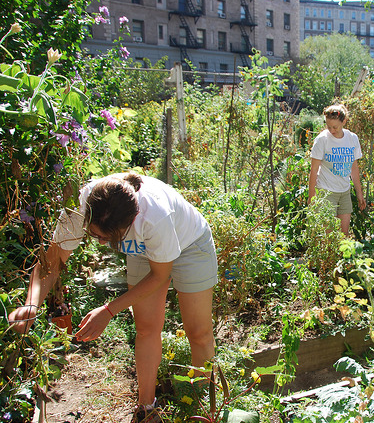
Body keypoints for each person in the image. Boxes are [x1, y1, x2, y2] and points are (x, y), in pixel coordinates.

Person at [9, 173, 218, 423]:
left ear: (130, 223)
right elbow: (50, 262)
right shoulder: (82, 208)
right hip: (144, 250)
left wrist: (108, 310)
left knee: (198, 332)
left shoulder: (155, 217)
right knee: (146, 327)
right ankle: (147, 408)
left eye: (106, 238)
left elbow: (160, 276)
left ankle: (199, 408)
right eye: (95, 235)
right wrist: (32, 303)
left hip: (191, 245)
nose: (100, 241)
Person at [308, 104, 366, 235]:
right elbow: (314, 169)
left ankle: (340, 257)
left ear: (344, 121)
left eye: (335, 127)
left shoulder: (352, 138)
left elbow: (354, 168)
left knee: (343, 236)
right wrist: (312, 196)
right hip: (326, 192)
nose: (331, 130)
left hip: (344, 192)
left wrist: (359, 193)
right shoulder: (322, 140)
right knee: (329, 237)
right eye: (328, 126)